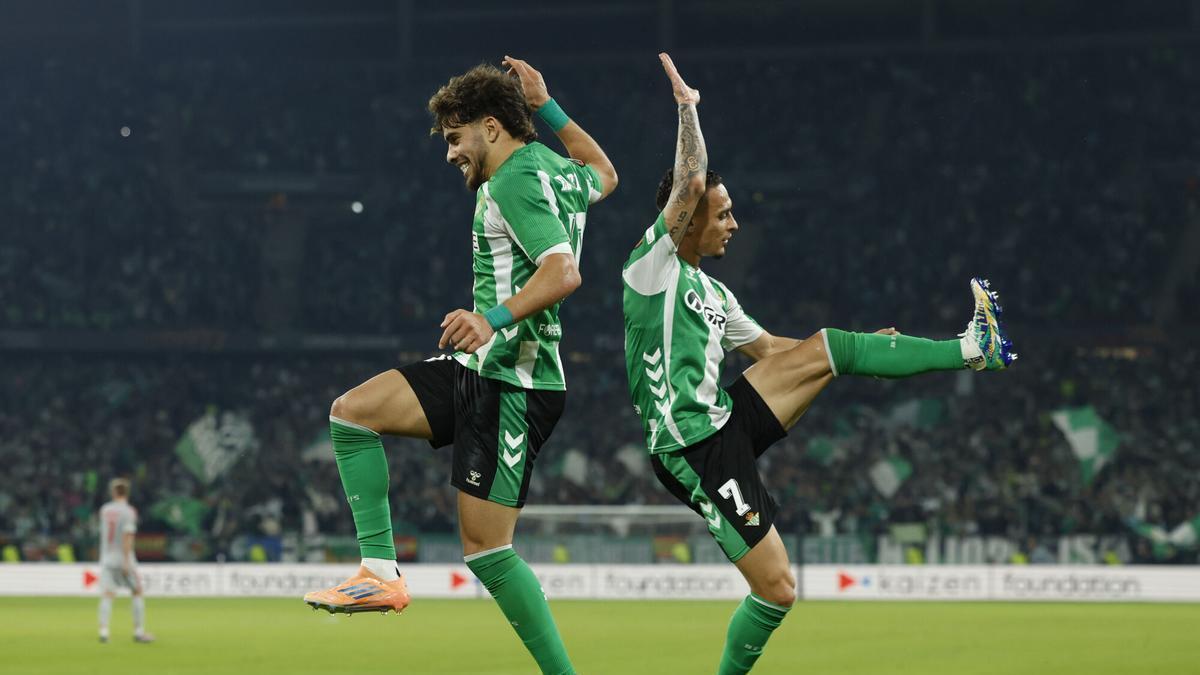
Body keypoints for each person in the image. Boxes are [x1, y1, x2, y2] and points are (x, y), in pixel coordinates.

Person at [622, 53, 1015, 674]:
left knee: (829, 345)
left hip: (724, 419)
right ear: (686, 220)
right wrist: (688, 106)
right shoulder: (649, 271)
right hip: (690, 449)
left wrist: (858, 351)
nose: (733, 223)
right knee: (777, 589)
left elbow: (775, 351)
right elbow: (690, 181)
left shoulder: (716, 294)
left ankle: (972, 348)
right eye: (722, 214)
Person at [303, 57, 616, 675]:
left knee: (487, 551)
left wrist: (490, 319)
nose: (449, 154)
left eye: (455, 138)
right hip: (481, 368)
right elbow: (604, 172)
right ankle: (379, 574)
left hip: (516, 382)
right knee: (352, 414)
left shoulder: (516, 182)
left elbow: (564, 272)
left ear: (492, 128)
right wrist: (548, 105)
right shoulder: (556, 170)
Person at [97, 478, 154, 644]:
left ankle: (104, 632)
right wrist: (127, 561)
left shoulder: (104, 510)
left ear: (113, 492)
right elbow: (127, 536)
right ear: (127, 492)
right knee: (137, 591)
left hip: (107, 558)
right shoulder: (129, 512)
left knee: (107, 595)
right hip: (123, 557)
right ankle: (138, 632)